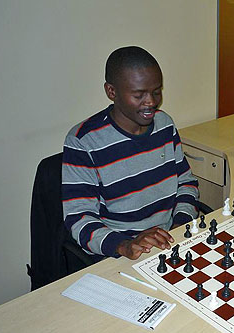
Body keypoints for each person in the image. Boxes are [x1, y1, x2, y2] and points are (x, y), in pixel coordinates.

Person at [61, 46, 199, 260]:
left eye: (156, 92)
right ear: (112, 92)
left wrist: (180, 224)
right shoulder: (83, 141)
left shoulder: (164, 124)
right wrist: (125, 246)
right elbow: (79, 219)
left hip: (169, 240)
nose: (151, 102)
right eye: (139, 95)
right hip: (120, 252)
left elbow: (186, 182)